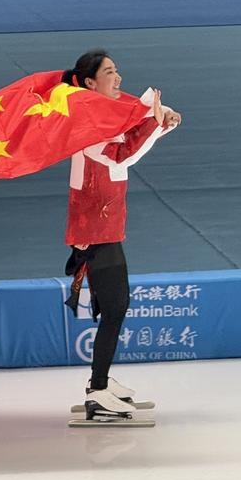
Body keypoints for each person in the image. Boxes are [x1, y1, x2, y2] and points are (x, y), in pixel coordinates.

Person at [61, 49, 181, 420]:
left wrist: (161, 121)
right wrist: (156, 124)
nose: (119, 78)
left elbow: (129, 131)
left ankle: (101, 382)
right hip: (94, 229)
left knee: (116, 306)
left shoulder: (104, 113)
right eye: (110, 72)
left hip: (105, 225)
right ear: (90, 82)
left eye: (117, 70)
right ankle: (98, 389)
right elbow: (121, 155)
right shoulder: (85, 122)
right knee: (115, 307)